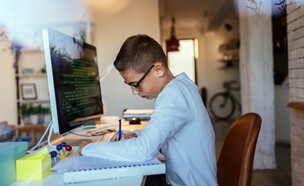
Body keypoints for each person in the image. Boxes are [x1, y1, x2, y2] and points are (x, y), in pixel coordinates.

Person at [78, 34, 218, 186]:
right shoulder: (182, 86)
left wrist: (89, 148)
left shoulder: (173, 95)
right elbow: (168, 132)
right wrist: (137, 135)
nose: (134, 91)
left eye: (135, 84)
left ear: (158, 69)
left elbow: (143, 151)